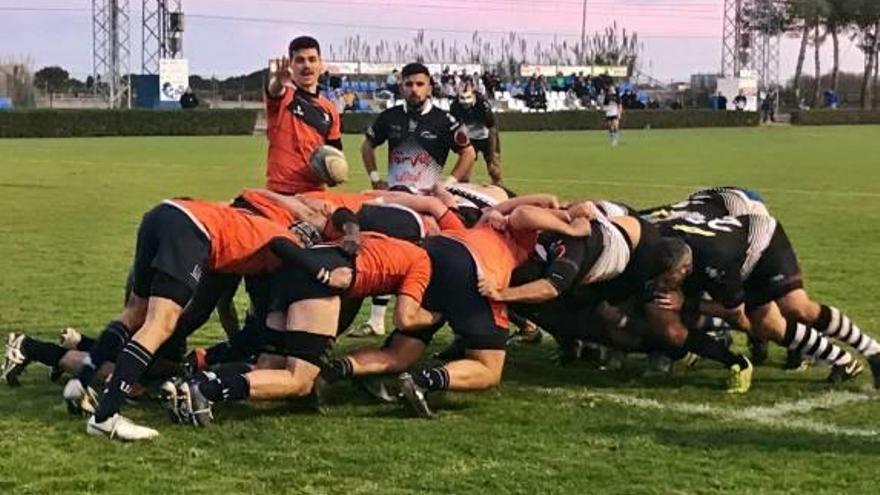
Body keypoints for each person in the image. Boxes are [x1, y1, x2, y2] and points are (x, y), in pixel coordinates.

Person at [356, 63, 476, 338]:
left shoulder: (445, 121)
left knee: (429, 258)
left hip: (428, 202)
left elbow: (468, 154)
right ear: (401, 87)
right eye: (409, 84)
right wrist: (375, 178)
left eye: (420, 84)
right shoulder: (390, 117)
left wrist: (448, 184)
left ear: (430, 87)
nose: (414, 89)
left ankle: (447, 319)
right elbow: (367, 146)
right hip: (396, 197)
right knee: (387, 249)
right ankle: (376, 320)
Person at [265, 36, 342, 195]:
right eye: (300, 60)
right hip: (281, 192)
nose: (307, 65)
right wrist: (278, 81)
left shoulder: (330, 109)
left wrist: (335, 171)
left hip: (315, 194)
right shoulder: (284, 97)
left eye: (312, 59)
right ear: (291, 65)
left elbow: (334, 152)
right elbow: (274, 90)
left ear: (320, 64)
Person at [450, 86, 503, 185]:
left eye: (468, 100)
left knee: (493, 166)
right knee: (465, 170)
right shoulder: (454, 106)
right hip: (469, 137)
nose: (466, 104)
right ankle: (463, 191)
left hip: (487, 136)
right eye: (463, 100)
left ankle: (498, 186)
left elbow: (491, 125)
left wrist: (492, 150)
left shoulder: (483, 105)